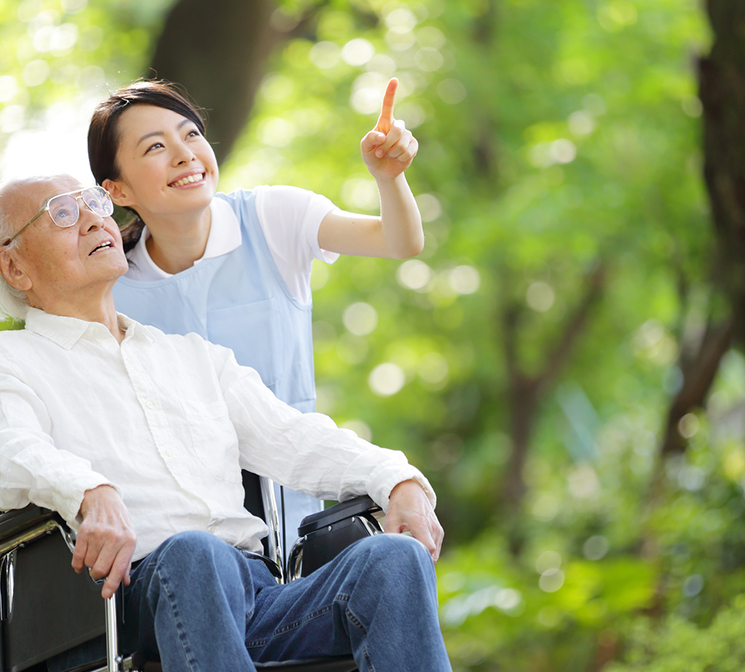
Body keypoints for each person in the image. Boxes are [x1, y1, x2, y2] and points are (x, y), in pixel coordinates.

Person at [0, 174, 450, 671]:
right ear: (14, 267)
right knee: (197, 555)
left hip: (252, 595)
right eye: (62, 213)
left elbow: (296, 438)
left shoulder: (193, 357)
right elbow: (12, 450)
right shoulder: (12, 360)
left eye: (94, 203)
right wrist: (88, 489)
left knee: (392, 561)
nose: (91, 220)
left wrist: (399, 478)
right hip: (119, 605)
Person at [87, 79, 425, 553]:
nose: (184, 154)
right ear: (116, 190)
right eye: (156, 147)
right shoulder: (112, 288)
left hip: (295, 504)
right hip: (182, 534)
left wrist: (389, 178)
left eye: (191, 135)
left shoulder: (271, 217)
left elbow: (400, 242)